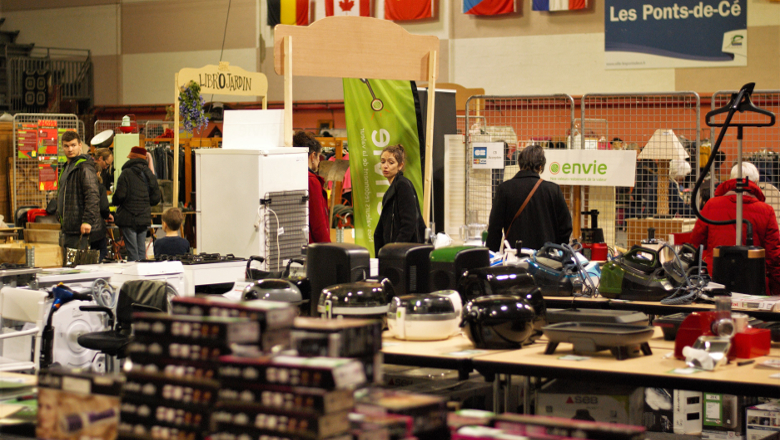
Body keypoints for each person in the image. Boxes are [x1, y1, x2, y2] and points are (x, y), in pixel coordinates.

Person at [690, 162, 780, 295]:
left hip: (715, 281)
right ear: (755, 182)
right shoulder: (766, 211)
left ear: (730, 180)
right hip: (753, 282)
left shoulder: (711, 205)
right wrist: (776, 288)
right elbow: (774, 256)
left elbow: (696, 242)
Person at [486, 144, 572, 252]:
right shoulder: (553, 190)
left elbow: (495, 228)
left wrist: (491, 255)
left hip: (515, 257)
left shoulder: (504, 189)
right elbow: (565, 227)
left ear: (519, 164)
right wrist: (557, 250)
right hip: (546, 259)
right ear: (540, 166)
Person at [373, 144, 426, 256]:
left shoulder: (402, 185)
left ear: (400, 165)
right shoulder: (390, 190)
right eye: (383, 162)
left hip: (406, 254)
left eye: (391, 162)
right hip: (396, 252)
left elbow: (409, 223)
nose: (385, 166)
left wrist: (394, 249)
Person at [56, 131, 103, 255]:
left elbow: (92, 196)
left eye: (73, 145)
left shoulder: (84, 167)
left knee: (79, 269)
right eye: (66, 146)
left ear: (80, 145)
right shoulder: (66, 167)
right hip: (68, 228)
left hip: (80, 229)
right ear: (62, 147)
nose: (70, 149)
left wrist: (87, 221)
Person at [113, 146, 161, 261]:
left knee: (132, 252)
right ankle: (142, 276)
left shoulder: (126, 173)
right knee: (141, 251)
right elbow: (156, 199)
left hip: (128, 218)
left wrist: (115, 202)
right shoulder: (149, 174)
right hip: (143, 218)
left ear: (131, 158)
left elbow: (120, 196)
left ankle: (134, 276)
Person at [294, 131, 330, 244]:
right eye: (319, 156)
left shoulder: (292, 176)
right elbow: (318, 223)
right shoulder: (312, 181)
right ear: (313, 155)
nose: (319, 160)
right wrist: (328, 248)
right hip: (313, 246)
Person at [90, 161, 113, 262]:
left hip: (83, 226)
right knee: (102, 251)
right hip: (97, 226)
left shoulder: (81, 186)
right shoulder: (100, 187)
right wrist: (107, 215)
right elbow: (103, 207)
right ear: (98, 173)